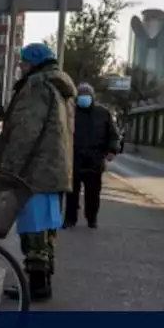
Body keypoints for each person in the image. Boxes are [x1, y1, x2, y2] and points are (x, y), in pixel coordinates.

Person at [0, 42, 76, 300]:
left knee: (33, 230)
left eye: (23, 61)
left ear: (33, 62)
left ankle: (37, 285)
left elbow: (25, 132)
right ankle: (42, 282)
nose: (20, 66)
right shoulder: (58, 88)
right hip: (53, 170)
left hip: (35, 171)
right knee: (45, 229)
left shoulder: (37, 86)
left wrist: (8, 169)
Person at [66, 83, 121, 229]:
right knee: (71, 192)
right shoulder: (70, 112)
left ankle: (92, 218)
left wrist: (112, 150)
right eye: (81, 96)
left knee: (93, 192)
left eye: (87, 96)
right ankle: (70, 219)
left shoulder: (102, 113)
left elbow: (113, 134)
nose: (84, 99)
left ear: (92, 97)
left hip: (94, 159)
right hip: (74, 157)